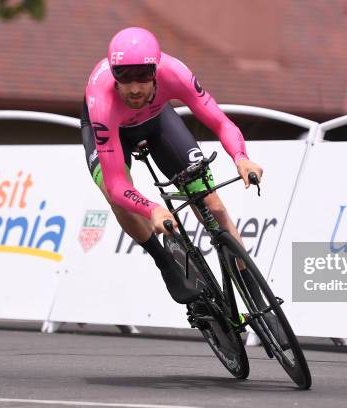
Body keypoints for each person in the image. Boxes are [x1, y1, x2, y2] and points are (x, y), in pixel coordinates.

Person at [81, 27, 263, 305]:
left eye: (142, 77)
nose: (134, 88)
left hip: (157, 121)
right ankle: (165, 262)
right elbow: (118, 183)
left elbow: (221, 123)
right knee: (113, 193)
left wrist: (241, 157)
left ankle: (256, 299)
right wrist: (151, 209)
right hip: (111, 130)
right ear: (113, 74)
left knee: (213, 206)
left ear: (155, 71)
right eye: (124, 77)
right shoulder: (102, 99)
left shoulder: (174, 72)